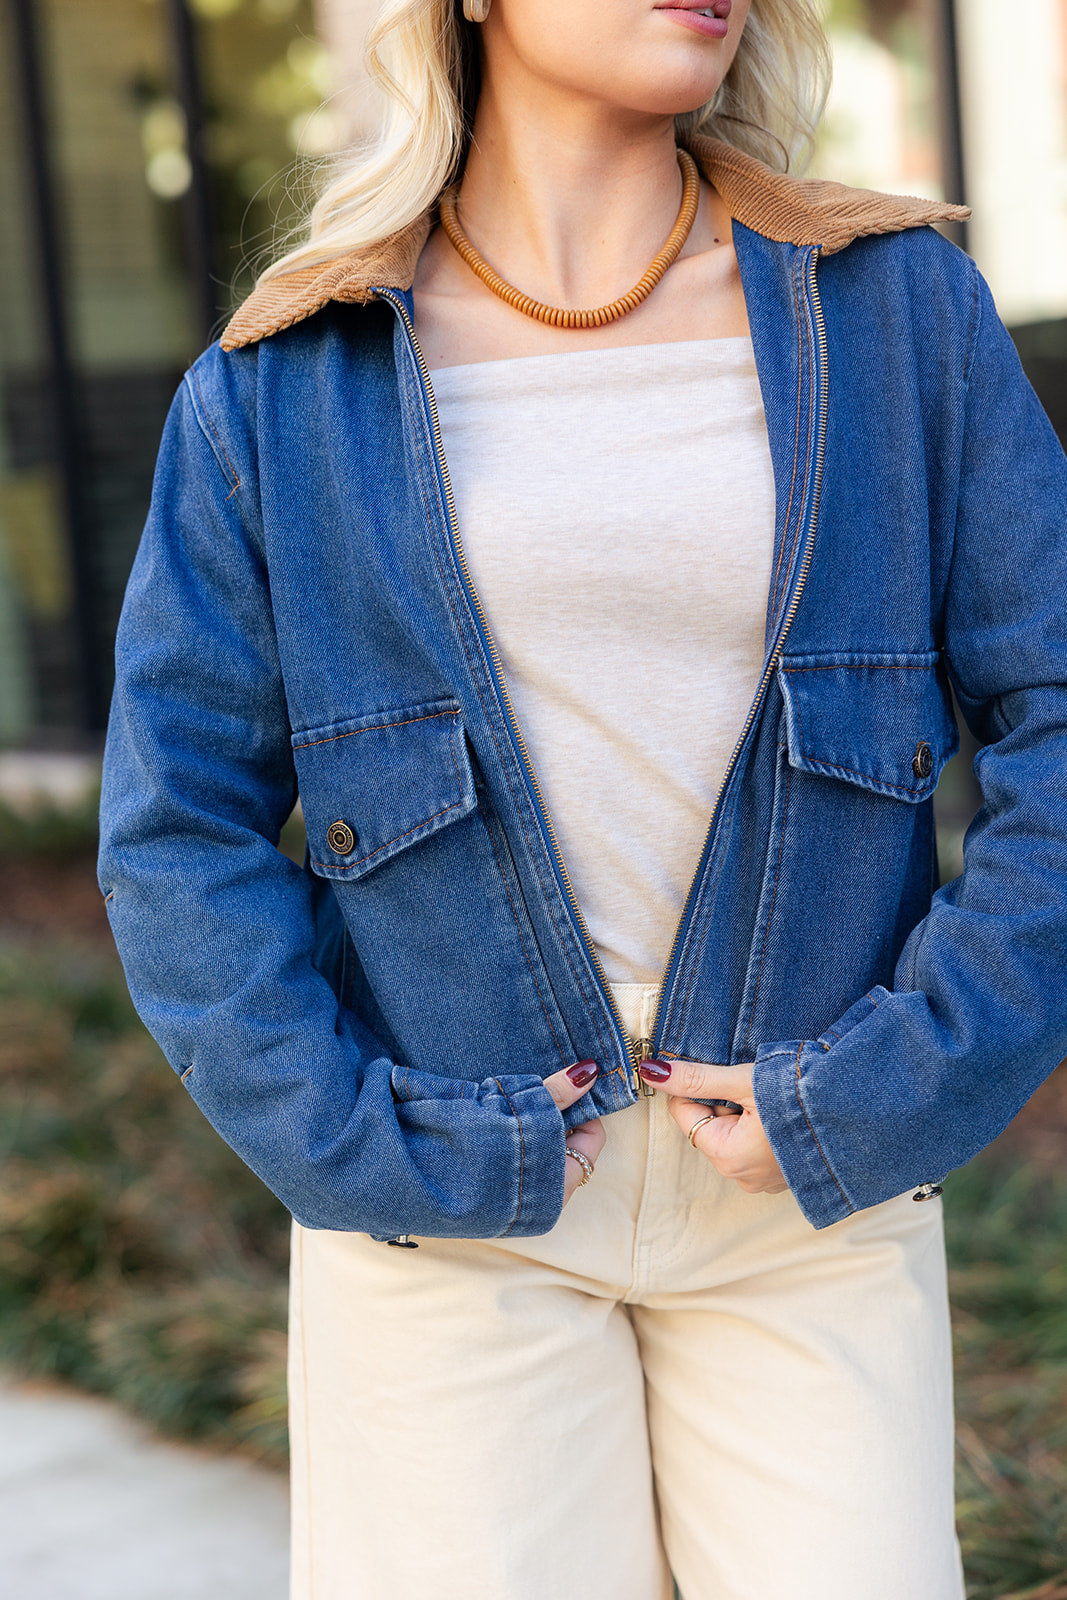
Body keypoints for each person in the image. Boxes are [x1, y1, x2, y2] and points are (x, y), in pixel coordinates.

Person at [97, 0, 1067, 1595]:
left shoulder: (893, 314)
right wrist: (354, 1142)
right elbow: (176, 825)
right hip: (452, 1204)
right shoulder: (285, 383)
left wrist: (907, 1075)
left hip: (812, 1182)